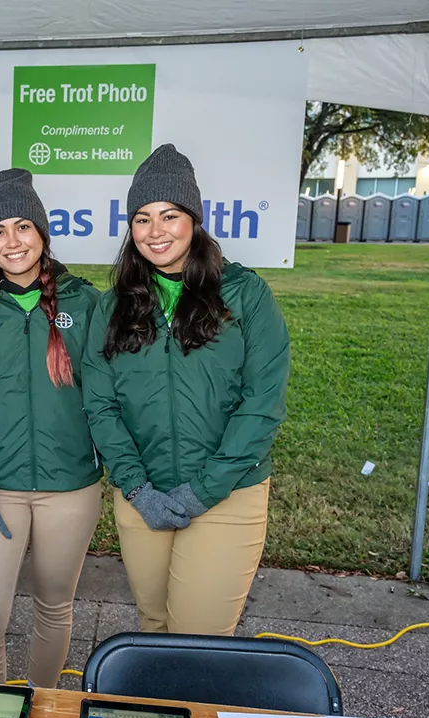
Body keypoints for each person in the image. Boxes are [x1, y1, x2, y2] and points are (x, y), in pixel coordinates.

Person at [82, 144, 290, 636]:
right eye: (142, 218)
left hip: (226, 495)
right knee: (152, 626)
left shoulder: (246, 294)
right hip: (142, 495)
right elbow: (100, 403)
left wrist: (203, 491)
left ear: (194, 220)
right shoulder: (113, 305)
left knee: (197, 638)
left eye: (169, 216)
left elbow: (262, 405)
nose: (155, 232)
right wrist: (135, 485)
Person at [0, 169, 101, 686]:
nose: (12, 241)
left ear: (42, 232)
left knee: (54, 607)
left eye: (23, 227)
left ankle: (42, 705)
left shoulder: (85, 302)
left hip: (70, 491)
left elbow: (108, 397)